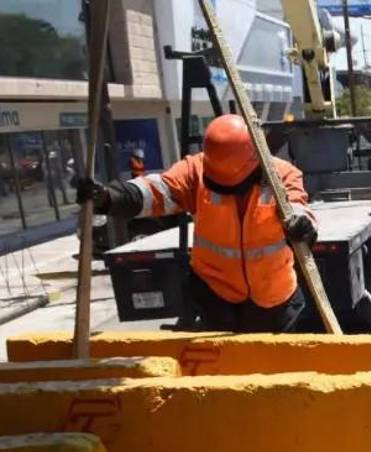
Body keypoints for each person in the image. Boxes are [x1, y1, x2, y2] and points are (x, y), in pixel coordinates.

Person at [77, 114, 315, 333]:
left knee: (274, 371)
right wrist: (109, 196)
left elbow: (297, 205)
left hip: (273, 299)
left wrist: (300, 225)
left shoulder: (282, 174)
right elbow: (155, 192)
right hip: (217, 297)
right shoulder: (196, 170)